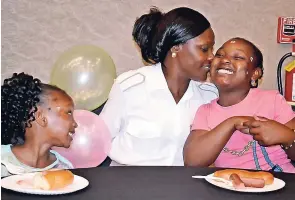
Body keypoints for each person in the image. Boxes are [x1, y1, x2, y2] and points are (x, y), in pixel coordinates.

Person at [100, 7, 218, 166]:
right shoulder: (130, 87)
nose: (212, 57)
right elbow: (99, 141)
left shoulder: (210, 96)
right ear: (176, 47)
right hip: (128, 185)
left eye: (212, 49)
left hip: (186, 187)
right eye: (204, 49)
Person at [184, 37, 295, 173]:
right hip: (230, 187)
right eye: (219, 55)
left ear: (255, 74)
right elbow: (193, 161)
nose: (225, 60)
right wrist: (233, 122)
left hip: (281, 182)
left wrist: (286, 136)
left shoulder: (272, 100)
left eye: (238, 57)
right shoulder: (205, 111)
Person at [1, 73, 78, 177]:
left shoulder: (64, 168)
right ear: (41, 117)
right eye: (68, 113)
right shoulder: (2, 160)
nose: (75, 123)